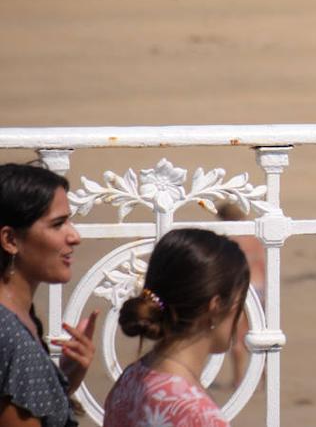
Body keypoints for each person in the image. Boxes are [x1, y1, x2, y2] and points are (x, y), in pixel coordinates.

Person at [104, 229, 249, 427]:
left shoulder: (130, 380)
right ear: (214, 308)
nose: (241, 316)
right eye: (238, 304)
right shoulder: (199, 415)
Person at [1, 163, 99, 427]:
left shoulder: (16, 320)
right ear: (10, 240)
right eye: (58, 224)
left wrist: (59, 381)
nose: (75, 237)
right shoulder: (11, 338)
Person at [215, 204, 264, 390]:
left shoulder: (228, 240)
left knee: (238, 333)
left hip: (239, 287)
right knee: (260, 331)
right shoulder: (253, 236)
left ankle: (239, 378)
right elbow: (261, 262)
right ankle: (264, 373)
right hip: (259, 286)